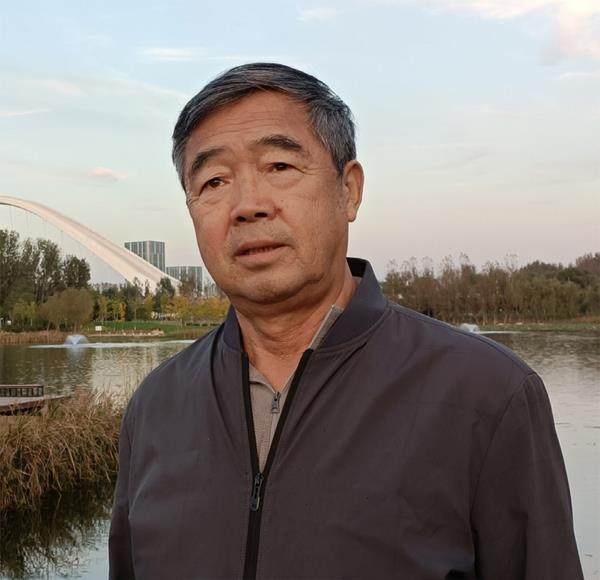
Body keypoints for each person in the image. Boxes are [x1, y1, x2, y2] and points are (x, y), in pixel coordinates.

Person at [108, 63, 583, 579]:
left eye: (279, 166)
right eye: (214, 181)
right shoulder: (155, 408)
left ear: (349, 190)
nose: (247, 206)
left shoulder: (487, 395)